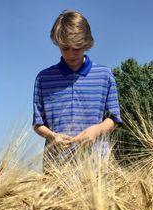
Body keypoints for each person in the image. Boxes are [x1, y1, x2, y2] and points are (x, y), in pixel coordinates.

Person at [32, 9, 122, 173]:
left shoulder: (104, 76)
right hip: (57, 168)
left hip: (97, 168)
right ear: (57, 43)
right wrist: (53, 137)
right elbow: (38, 124)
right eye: (65, 48)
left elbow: (114, 119)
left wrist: (96, 130)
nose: (71, 54)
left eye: (77, 48)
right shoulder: (43, 78)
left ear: (87, 43)